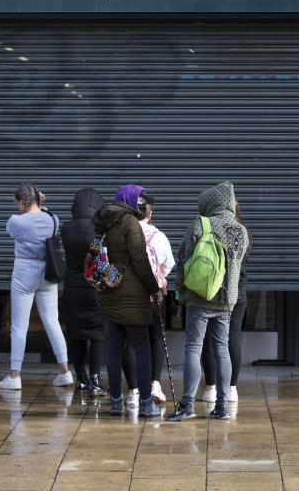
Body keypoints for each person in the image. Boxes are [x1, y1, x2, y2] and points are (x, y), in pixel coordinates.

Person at [167, 181, 248, 422]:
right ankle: (222, 406)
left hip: (200, 297)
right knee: (222, 349)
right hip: (226, 301)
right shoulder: (240, 230)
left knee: (194, 347)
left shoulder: (200, 224)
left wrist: (180, 290)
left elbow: (182, 262)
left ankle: (187, 404)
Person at [0, 183, 73, 390]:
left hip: (24, 273)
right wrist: (41, 207)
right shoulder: (52, 219)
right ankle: (65, 372)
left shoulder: (16, 222)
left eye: (17, 202)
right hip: (47, 272)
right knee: (52, 322)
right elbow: (51, 223)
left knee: (19, 326)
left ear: (22, 201)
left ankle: (14, 376)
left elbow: (10, 230)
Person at [93, 184, 160, 417]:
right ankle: (146, 402)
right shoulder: (129, 222)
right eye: (139, 199)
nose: (142, 204)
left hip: (109, 290)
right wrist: (154, 289)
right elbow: (140, 260)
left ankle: (115, 401)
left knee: (114, 348)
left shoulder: (105, 220)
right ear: (129, 199)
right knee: (142, 348)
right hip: (132, 295)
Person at [122, 190, 175, 406]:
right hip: (154, 296)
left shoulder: (121, 234)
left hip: (127, 295)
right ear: (149, 215)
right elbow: (169, 264)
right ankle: (154, 384)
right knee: (155, 339)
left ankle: (133, 391)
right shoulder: (158, 236)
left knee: (130, 343)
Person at [60, 188, 108, 396]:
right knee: (97, 333)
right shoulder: (102, 229)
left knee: (76, 333)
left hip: (72, 285)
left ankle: (80, 378)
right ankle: (95, 379)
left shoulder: (66, 229)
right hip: (95, 285)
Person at [201, 202, 250, 403]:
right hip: (238, 291)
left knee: (210, 339)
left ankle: (211, 388)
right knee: (233, 338)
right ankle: (232, 389)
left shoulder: (210, 227)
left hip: (214, 291)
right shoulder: (243, 231)